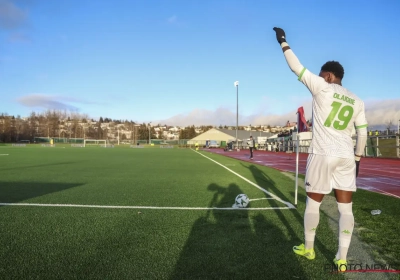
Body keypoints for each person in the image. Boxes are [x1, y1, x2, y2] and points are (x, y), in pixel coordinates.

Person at [272, 27, 368, 272]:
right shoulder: (357, 100)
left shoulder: (322, 87)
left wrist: (283, 42)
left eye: (321, 73)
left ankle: (309, 248)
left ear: (328, 76)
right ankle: (342, 258)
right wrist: (357, 158)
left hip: (323, 153)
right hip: (347, 155)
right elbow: (363, 133)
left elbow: (296, 66)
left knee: (313, 204)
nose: (318, 76)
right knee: (346, 208)